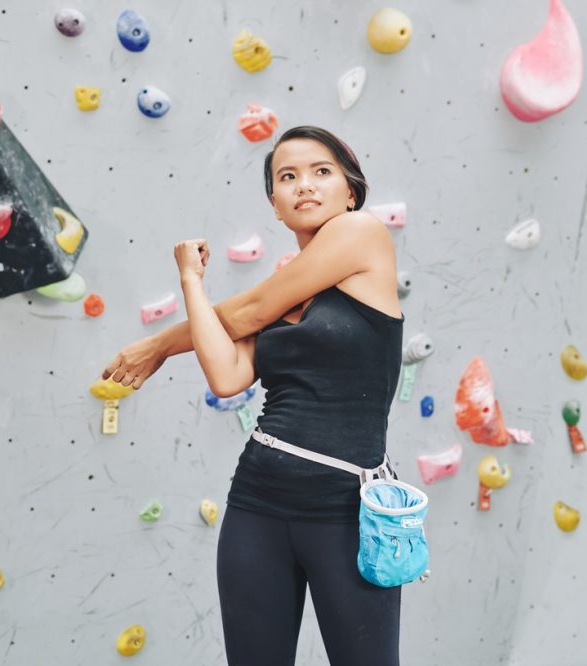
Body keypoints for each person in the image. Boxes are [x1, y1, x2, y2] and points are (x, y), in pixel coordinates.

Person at [100, 126, 405, 665]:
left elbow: (244, 314)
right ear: (276, 208)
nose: (304, 185)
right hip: (258, 505)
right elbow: (226, 375)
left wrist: (157, 344)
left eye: (322, 172)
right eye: (287, 177)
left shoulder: (363, 234)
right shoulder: (282, 292)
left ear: (351, 192)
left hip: (346, 513)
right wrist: (191, 280)